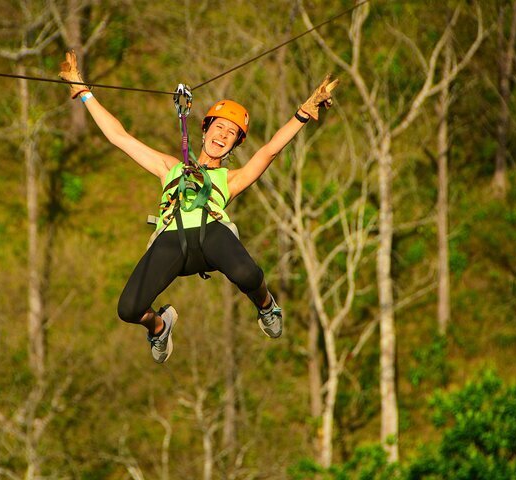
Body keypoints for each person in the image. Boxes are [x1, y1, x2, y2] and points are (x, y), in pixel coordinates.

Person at [59, 50, 338, 363]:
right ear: (205, 130)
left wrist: (304, 111)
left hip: (212, 235)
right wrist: (82, 90)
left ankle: (265, 305)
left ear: (234, 145)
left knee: (247, 274)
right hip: (171, 239)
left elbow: (270, 151)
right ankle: (160, 327)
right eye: (219, 127)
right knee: (129, 309)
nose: (223, 134)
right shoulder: (169, 168)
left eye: (231, 133)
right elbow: (119, 137)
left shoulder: (230, 178)